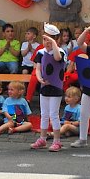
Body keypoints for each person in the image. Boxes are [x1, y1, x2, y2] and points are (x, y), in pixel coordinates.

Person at [31, 24, 66, 152]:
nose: (46, 43)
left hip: (56, 87)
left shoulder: (60, 51)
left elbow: (57, 57)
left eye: (49, 40)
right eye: (45, 39)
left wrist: (54, 44)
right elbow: (38, 68)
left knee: (54, 114)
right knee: (44, 114)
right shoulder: (40, 53)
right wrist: (39, 78)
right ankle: (42, 138)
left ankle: (57, 141)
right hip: (44, 87)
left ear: (56, 40)